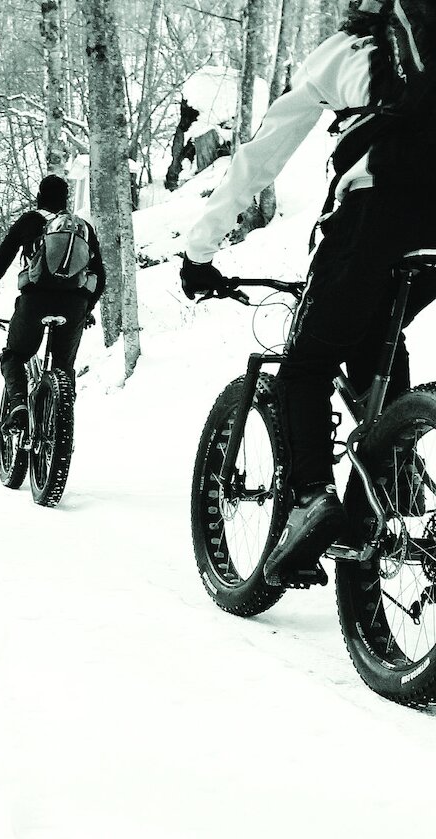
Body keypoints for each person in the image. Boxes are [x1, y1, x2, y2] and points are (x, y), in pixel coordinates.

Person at [180, 0, 436, 586]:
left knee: (306, 363)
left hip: (381, 212)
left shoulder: (350, 50)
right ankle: (396, 472)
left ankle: (309, 502)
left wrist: (201, 248)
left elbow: (262, 154)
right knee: (377, 335)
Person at [0, 174, 106, 429]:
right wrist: (87, 308)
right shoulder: (81, 228)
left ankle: (19, 404)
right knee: (63, 368)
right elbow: (101, 277)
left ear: (39, 197)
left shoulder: (29, 221)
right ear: (65, 201)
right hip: (74, 305)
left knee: (15, 356)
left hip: (35, 302)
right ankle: (62, 423)